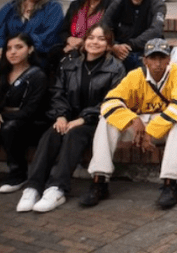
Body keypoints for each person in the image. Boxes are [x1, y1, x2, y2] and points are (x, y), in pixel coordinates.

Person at [14, 25, 123, 212]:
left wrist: (83, 119)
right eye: (91, 37)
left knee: (74, 135)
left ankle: (57, 188)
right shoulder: (69, 63)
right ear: (84, 40)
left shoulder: (115, 68)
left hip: (96, 123)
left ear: (108, 45)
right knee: (51, 134)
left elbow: (113, 100)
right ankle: (33, 187)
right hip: (67, 118)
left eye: (101, 39)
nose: (94, 42)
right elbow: (57, 92)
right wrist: (61, 116)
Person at [81, 38, 177, 209]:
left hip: (161, 127)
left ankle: (172, 183)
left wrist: (152, 132)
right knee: (107, 120)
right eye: (153, 58)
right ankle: (100, 181)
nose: (157, 63)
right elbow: (109, 102)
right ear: (145, 60)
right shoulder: (135, 75)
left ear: (168, 59)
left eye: (162, 57)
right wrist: (132, 119)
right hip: (139, 125)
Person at [0, 33, 48, 193]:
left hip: (32, 125)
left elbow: (30, 111)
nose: (13, 52)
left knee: (8, 127)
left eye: (19, 47)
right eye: (9, 48)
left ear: (30, 50)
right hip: (7, 119)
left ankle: (18, 174)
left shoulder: (38, 76)